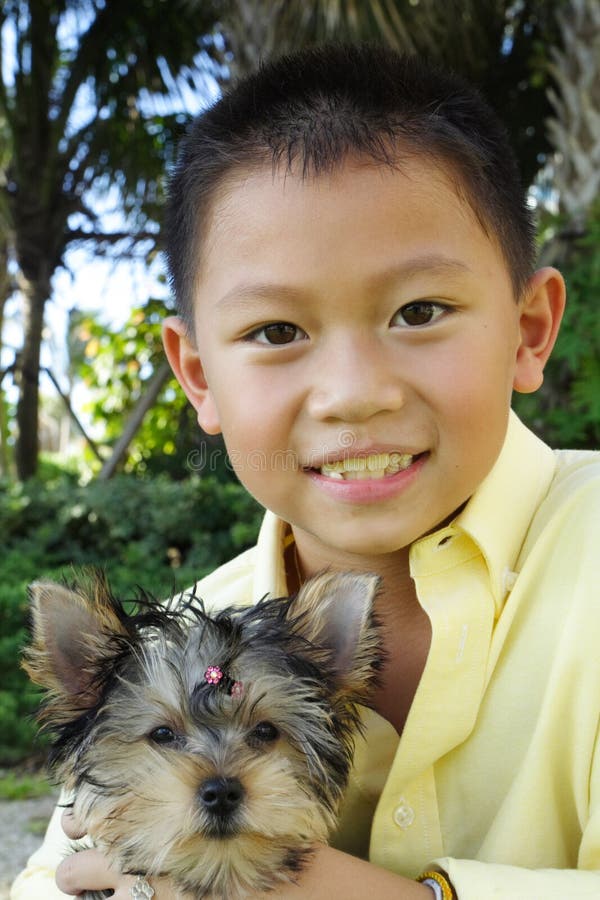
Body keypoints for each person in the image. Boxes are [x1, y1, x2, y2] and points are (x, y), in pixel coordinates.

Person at [11, 43, 600, 900]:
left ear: (530, 328)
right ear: (199, 375)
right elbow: (53, 875)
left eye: (419, 311)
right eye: (278, 331)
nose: (354, 396)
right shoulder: (171, 644)